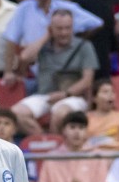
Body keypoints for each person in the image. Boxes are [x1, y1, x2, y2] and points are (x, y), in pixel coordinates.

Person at [1, 0, 103, 89]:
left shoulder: (66, 7)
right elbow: (11, 39)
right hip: (33, 71)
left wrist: (73, 39)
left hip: (63, 70)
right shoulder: (24, 8)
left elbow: (97, 23)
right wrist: (8, 71)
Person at [12, 9, 99, 137]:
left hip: (72, 97)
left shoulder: (84, 46)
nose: (64, 32)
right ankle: (45, 142)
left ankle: (57, 150)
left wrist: (65, 94)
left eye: (67, 28)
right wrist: (46, 37)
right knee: (16, 113)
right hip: (45, 95)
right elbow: (24, 57)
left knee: (59, 113)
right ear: (51, 28)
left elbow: (87, 80)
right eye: (59, 28)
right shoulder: (43, 45)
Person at [32, 111, 110, 182]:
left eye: (81, 128)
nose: (77, 132)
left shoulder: (97, 156)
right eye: (72, 127)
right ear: (63, 131)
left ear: (86, 132)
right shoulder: (51, 158)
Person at [71, 0, 119, 78]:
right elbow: (112, 40)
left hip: (79, 61)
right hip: (101, 60)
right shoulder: (106, 6)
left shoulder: (75, 5)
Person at [85, 78, 119, 151]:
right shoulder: (86, 118)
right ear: (94, 98)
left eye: (112, 92)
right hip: (92, 156)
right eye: (105, 92)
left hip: (116, 157)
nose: (110, 95)